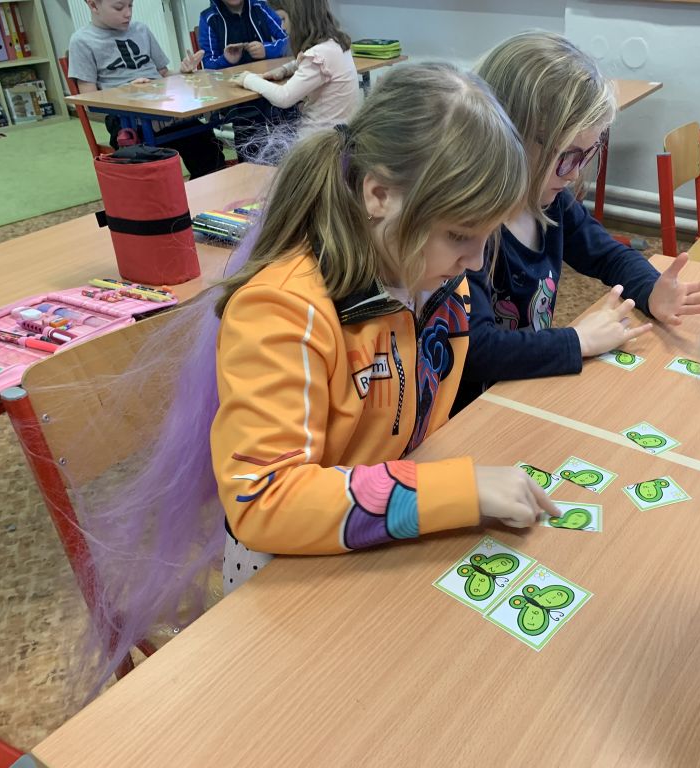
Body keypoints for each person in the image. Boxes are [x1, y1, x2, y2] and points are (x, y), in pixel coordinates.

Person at [68, 61, 556, 695]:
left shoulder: (439, 284)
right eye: (461, 234)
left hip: (387, 549)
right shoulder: (285, 308)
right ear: (379, 195)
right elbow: (266, 501)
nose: (476, 261)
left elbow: (409, 432)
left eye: (488, 236)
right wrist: (455, 491)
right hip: (289, 580)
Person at [455, 31, 700, 411]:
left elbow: (607, 255)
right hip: (469, 412)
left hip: (521, 390)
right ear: (508, 136)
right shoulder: (465, 231)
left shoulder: (551, 203)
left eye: (587, 154)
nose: (575, 174)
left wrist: (650, 290)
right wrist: (577, 340)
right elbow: (476, 350)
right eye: (567, 156)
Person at [69, 0, 226, 178]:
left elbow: (164, 74)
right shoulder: (82, 41)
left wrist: (182, 71)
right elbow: (89, 100)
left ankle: (209, 188)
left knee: (204, 141)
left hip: (162, 109)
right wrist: (126, 92)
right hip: (125, 118)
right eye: (119, 8)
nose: (128, 13)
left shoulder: (141, 29)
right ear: (93, 5)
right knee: (149, 159)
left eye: (130, 5)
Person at [230, 0, 358, 137]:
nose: (282, 26)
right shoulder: (334, 43)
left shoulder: (318, 55)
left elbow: (284, 97)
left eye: (283, 19)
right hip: (338, 134)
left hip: (316, 140)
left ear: (299, 18)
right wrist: (285, 69)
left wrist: (248, 79)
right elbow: (306, 62)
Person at [197, 0, 287, 70]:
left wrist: (267, 50)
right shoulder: (208, 18)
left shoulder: (261, 7)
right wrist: (226, 60)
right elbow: (208, 64)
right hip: (231, 82)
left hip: (267, 75)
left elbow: (291, 41)